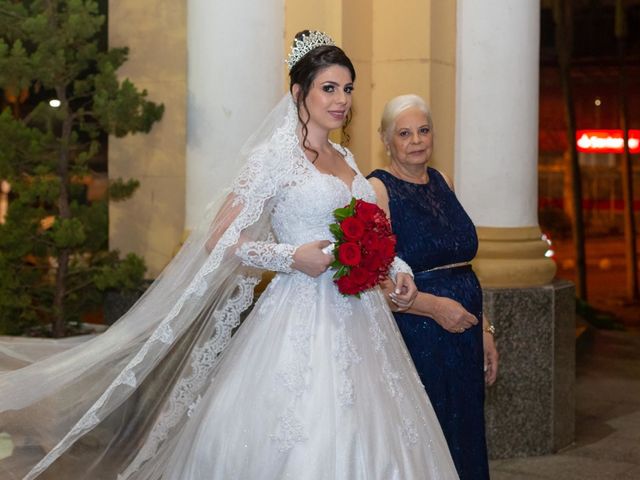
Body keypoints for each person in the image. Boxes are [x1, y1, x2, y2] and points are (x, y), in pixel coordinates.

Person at [0, 33, 459, 479]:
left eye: (347, 89)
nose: (341, 99)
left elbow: (375, 229)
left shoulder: (346, 157)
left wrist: (397, 268)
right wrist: (290, 257)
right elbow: (219, 237)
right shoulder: (274, 158)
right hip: (299, 312)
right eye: (329, 88)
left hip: (363, 319)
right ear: (300, 91)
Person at [368, 94, 499, 480]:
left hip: (464, 329)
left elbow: (463, 267)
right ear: (385, 139)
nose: (416, 140)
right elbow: (374, 280)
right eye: (404, 133)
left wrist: (485, 330)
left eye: (423, 130)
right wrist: (434, 307)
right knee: (430, 433)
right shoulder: (378, 190)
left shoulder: (444, 181)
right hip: (417, 332)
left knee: (467, 426)